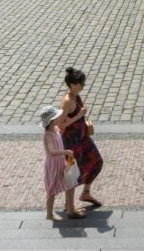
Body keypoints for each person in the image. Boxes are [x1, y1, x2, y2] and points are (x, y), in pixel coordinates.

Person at [60, 67, 103, 208]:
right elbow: (60, 125)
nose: (83, 86)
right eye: (81, 84)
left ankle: (86, 193)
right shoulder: (67, 101)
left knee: (97, 162)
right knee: (72, 173)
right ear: (72, 85)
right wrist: (79, 116)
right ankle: (69, 204)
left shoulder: (76, 96)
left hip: (83, 138)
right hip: (71, 143)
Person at [39, 105, 85, 220]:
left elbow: (64, 126)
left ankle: (70, 207)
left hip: (61, 163)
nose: (58, 119)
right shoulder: (48, 135)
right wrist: (66, 152)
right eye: (56, 118)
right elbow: (52, 151)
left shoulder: (56, 129)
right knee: (52, 190)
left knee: (71, 183)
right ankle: (49, 215)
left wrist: (78, 116)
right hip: (53, 166)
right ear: (51, 121)